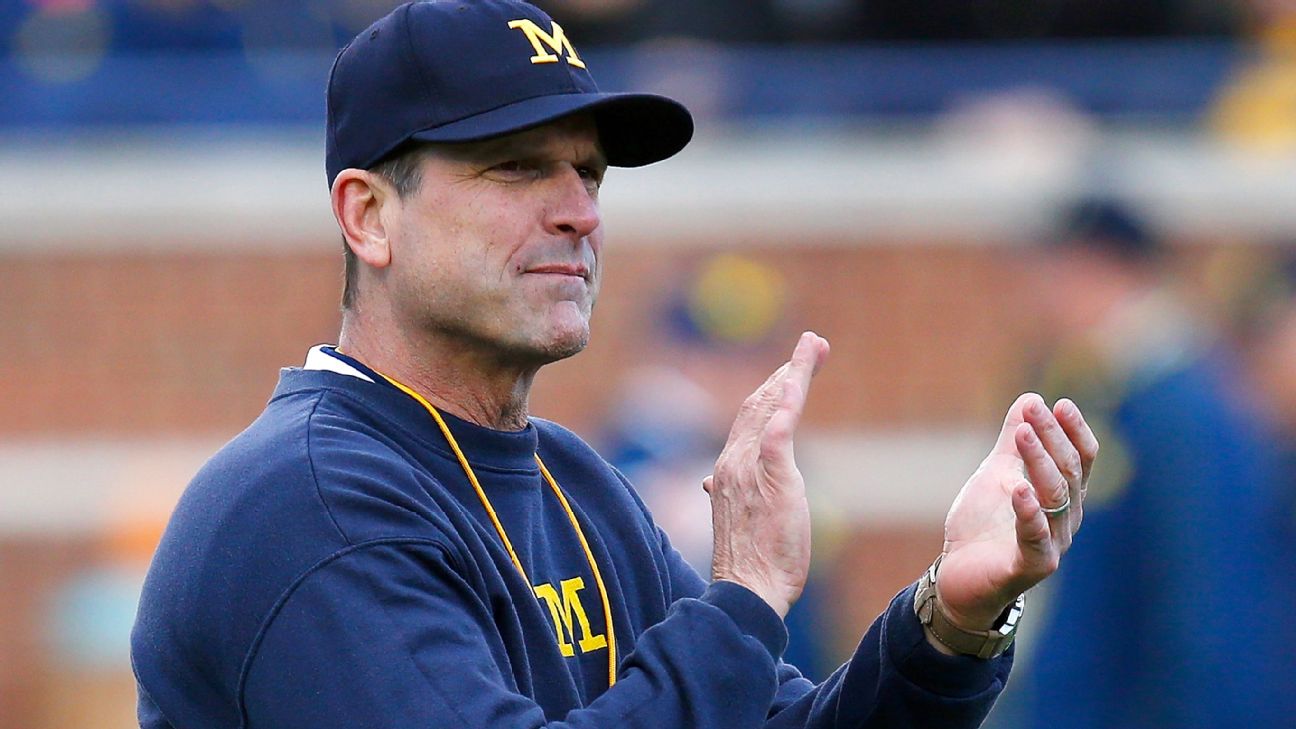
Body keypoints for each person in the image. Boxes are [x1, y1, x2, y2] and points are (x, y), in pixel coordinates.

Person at [129, 2, 1097, 727]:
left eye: (587, 173)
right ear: (367, 216)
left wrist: (951, 617)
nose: (580, 212)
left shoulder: (575, 482)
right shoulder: (306, 504)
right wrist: (746, 595)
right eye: (515, 166)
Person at [997, 198, 1296, 728]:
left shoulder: (1179, 412)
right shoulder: (1123, 396)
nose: (1042, 298)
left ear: (1101, 268)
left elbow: (1208, 614)